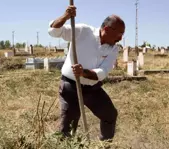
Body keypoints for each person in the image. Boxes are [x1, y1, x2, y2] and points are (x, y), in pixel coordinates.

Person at [48, 5, 125, 141]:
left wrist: (83, 72)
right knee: (69, 126)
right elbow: (54, 31)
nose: (120, 39)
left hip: (93, 89)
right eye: (119, 34)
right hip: (71, 86)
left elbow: (103, 71)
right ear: (106, 29)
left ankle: (105, 148)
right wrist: (66, 16)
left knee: (110, 115)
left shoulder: (113, 49)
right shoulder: (83, 31)